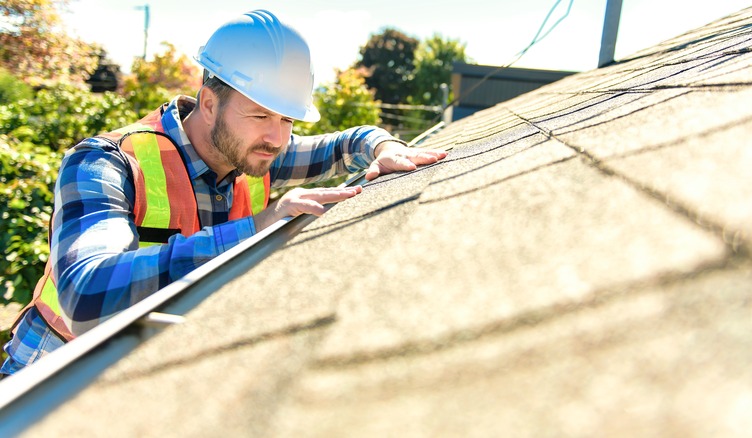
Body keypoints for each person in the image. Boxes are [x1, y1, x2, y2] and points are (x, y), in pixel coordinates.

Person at [0, 9, 446, 378]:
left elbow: (348, 142)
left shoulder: (256, 153)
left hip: (140, 374)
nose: (277, 138)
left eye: (288, 120)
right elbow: (85, 296)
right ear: (209, 103)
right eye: (260, 115)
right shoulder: (106, 162)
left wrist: (385, 147)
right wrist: (257, 229)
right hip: (48, 376)